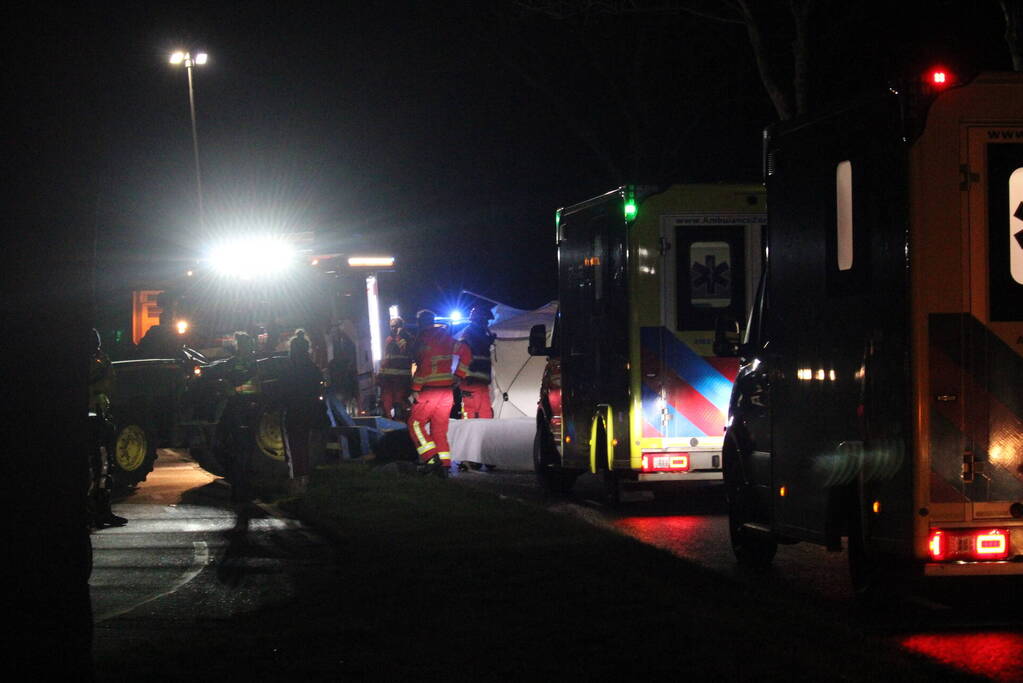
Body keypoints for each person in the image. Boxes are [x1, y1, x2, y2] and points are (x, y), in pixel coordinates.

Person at [407, 309, 471, 474]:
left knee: (415, 424)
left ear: (420, 323)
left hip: (429, 391)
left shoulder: (423, 339)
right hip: (446, 392)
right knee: (439, 430)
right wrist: (459, 375)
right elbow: (466, 352)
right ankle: (444, 465)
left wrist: (415, 388)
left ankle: (431, 457)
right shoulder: (446, 338)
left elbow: (424, 367)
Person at [88, 329, 127, 528]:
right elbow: (108, 383)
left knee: (99, 468)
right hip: (95, 421)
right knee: (102, 467)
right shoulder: (98, 362)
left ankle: (98, 511)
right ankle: (100, 511)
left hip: (95, 419)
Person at [281, 330, 324, 494]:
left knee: (294, 448)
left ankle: (298, 481)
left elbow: (284, 391)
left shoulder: (290, 369)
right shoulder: (312, 368)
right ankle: (307, 478)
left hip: (294, 413)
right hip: (311, 412)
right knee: (307, 446)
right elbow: (319, 389)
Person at [457, 306, 497, 419]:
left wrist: (488, 340)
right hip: (471, 382)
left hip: (479, 383)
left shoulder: (477, 334)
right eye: (486, 320)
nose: (487, 324)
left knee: (485, 414)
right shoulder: (471, 333)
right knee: (471, 414)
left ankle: (485, 434)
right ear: (481, 319)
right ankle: (468, 434)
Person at [377, 317, 413, 420]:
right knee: (386, 400)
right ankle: (389, 421)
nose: (393, 328)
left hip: (401, 378)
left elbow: (405, 350)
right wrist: (380, 373)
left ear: (401, 327)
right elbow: (386, 357)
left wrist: (399, 336)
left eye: (395, 326)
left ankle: (400, 422)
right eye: (391, 326)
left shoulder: (407, 338)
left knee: (399, 401)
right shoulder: (388, 339)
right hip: (388, 377)